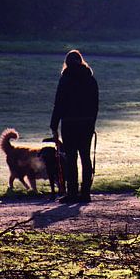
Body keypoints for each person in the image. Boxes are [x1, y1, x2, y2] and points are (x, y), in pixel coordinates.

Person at [50, 49, 99, 203]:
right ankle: (85, 193)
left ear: (66, 63)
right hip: (86, 123)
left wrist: (54, 126)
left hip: (69, 124)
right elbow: (95, 104)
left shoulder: (65, 79)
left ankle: (72, 193)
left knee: (71, 159)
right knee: (85, 157)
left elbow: (58, 104)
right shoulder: (90, 79)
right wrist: (92, 122)